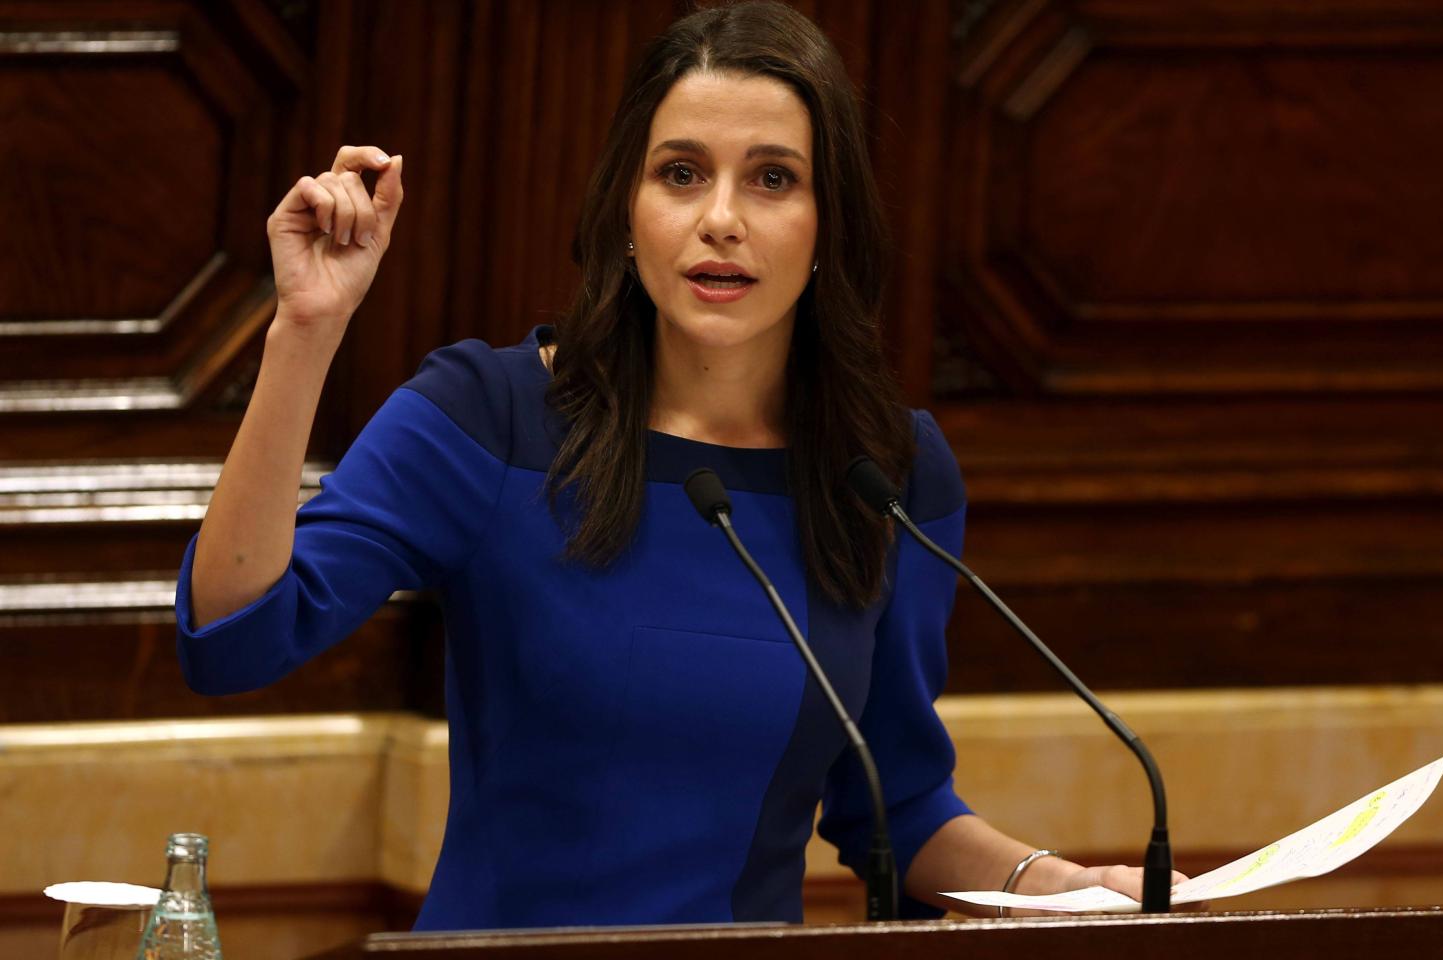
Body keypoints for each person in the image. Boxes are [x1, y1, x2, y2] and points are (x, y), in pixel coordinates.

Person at [177, 0, 1181, 929]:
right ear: (628, 205)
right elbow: (231, 638)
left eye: (773, 178)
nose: (722, 219)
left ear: (826, 221)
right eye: (682, 172)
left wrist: (1055, 885)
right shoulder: (489, 419)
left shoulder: (889, 475)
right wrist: (305, 332)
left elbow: (897, 809)